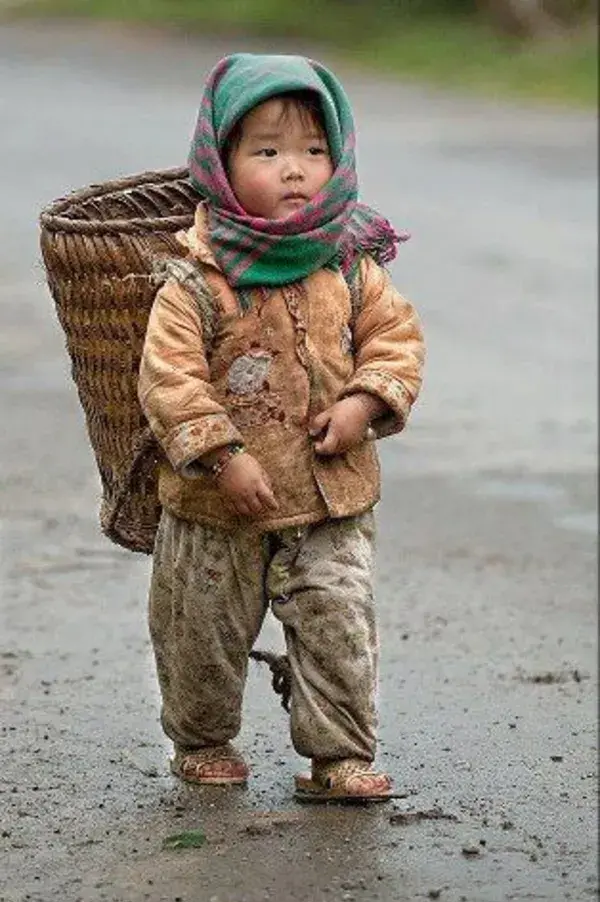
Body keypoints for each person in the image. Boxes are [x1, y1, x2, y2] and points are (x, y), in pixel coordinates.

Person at [138, 52, 425, 802]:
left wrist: (365, 403)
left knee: (337, 623)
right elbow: (170, 381)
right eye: (266, 151)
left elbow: (396, 340)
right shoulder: (195, 279)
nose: (294, 169)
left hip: (330, 496)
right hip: (215, 504)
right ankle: (201, 739)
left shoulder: (349, 262)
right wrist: (222, 454)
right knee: (199, 625)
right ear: (222, 165)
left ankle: (339, 756)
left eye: (313, 150)